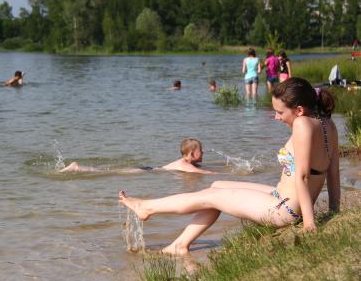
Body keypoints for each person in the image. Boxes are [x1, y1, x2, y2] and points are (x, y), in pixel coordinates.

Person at [119, 77, 340, 256]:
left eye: (280, 112)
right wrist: (334, 210)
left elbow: (302, 177)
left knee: (211, 197)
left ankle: (147, 208)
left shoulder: (302, 125)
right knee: (216, 185)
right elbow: (332, 172)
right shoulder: (327, 124)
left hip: (284, 210)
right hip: (284, 198)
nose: (276, 117)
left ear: (299, 110)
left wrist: (309, 224)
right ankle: (180, 245)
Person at [61, 138, 216, 174]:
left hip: (149, 169)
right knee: (109, 172)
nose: (203, 153)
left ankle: (79, 167)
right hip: (146, 171)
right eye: (201, 150)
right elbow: (203, 173)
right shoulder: (186, 165)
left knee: (110, 171)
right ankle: (77, 167)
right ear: (191, 154)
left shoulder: (187, 162)